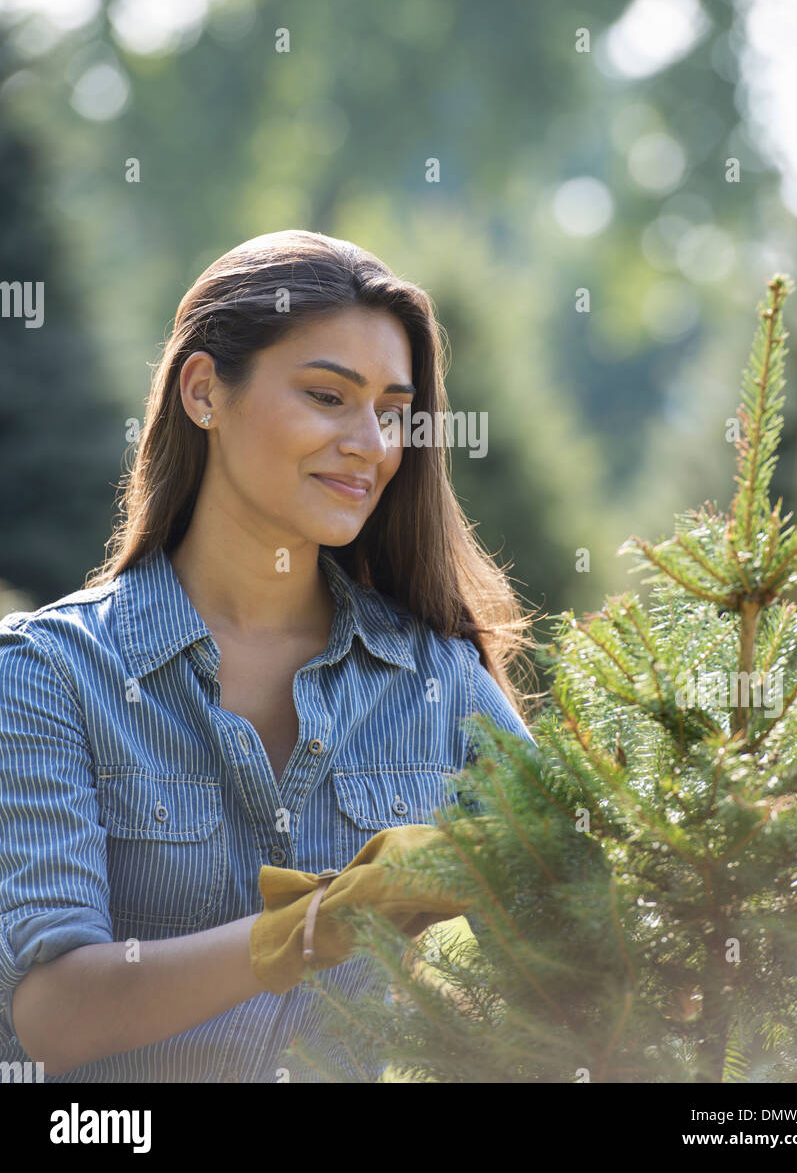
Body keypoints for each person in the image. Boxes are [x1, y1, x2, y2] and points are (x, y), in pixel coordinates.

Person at [0, 229, 540, 1083]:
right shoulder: (48, 675)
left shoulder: (441, 682)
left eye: (392, 412)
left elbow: (581, 947)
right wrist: (318, 924)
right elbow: (56, 1014)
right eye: (328, 396)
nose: (371, 443)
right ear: (205, 391)